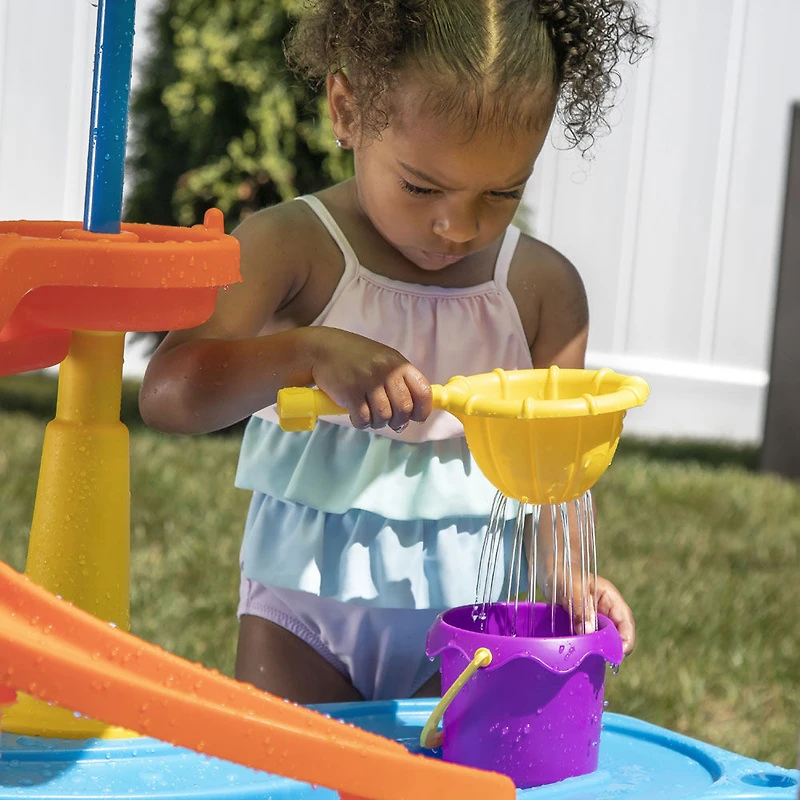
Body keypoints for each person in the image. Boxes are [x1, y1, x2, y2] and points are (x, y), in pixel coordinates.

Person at [139, 0, 650, 704]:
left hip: (478, 625)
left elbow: (553, 478)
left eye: (503, 191)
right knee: (304, 782)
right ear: (346, 111)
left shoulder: (540, 291)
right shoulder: (292, 247)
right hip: (302, 614)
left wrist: (566, 578)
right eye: (421, 186)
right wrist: (308, 352)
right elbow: (169, 394)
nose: (457, 226)